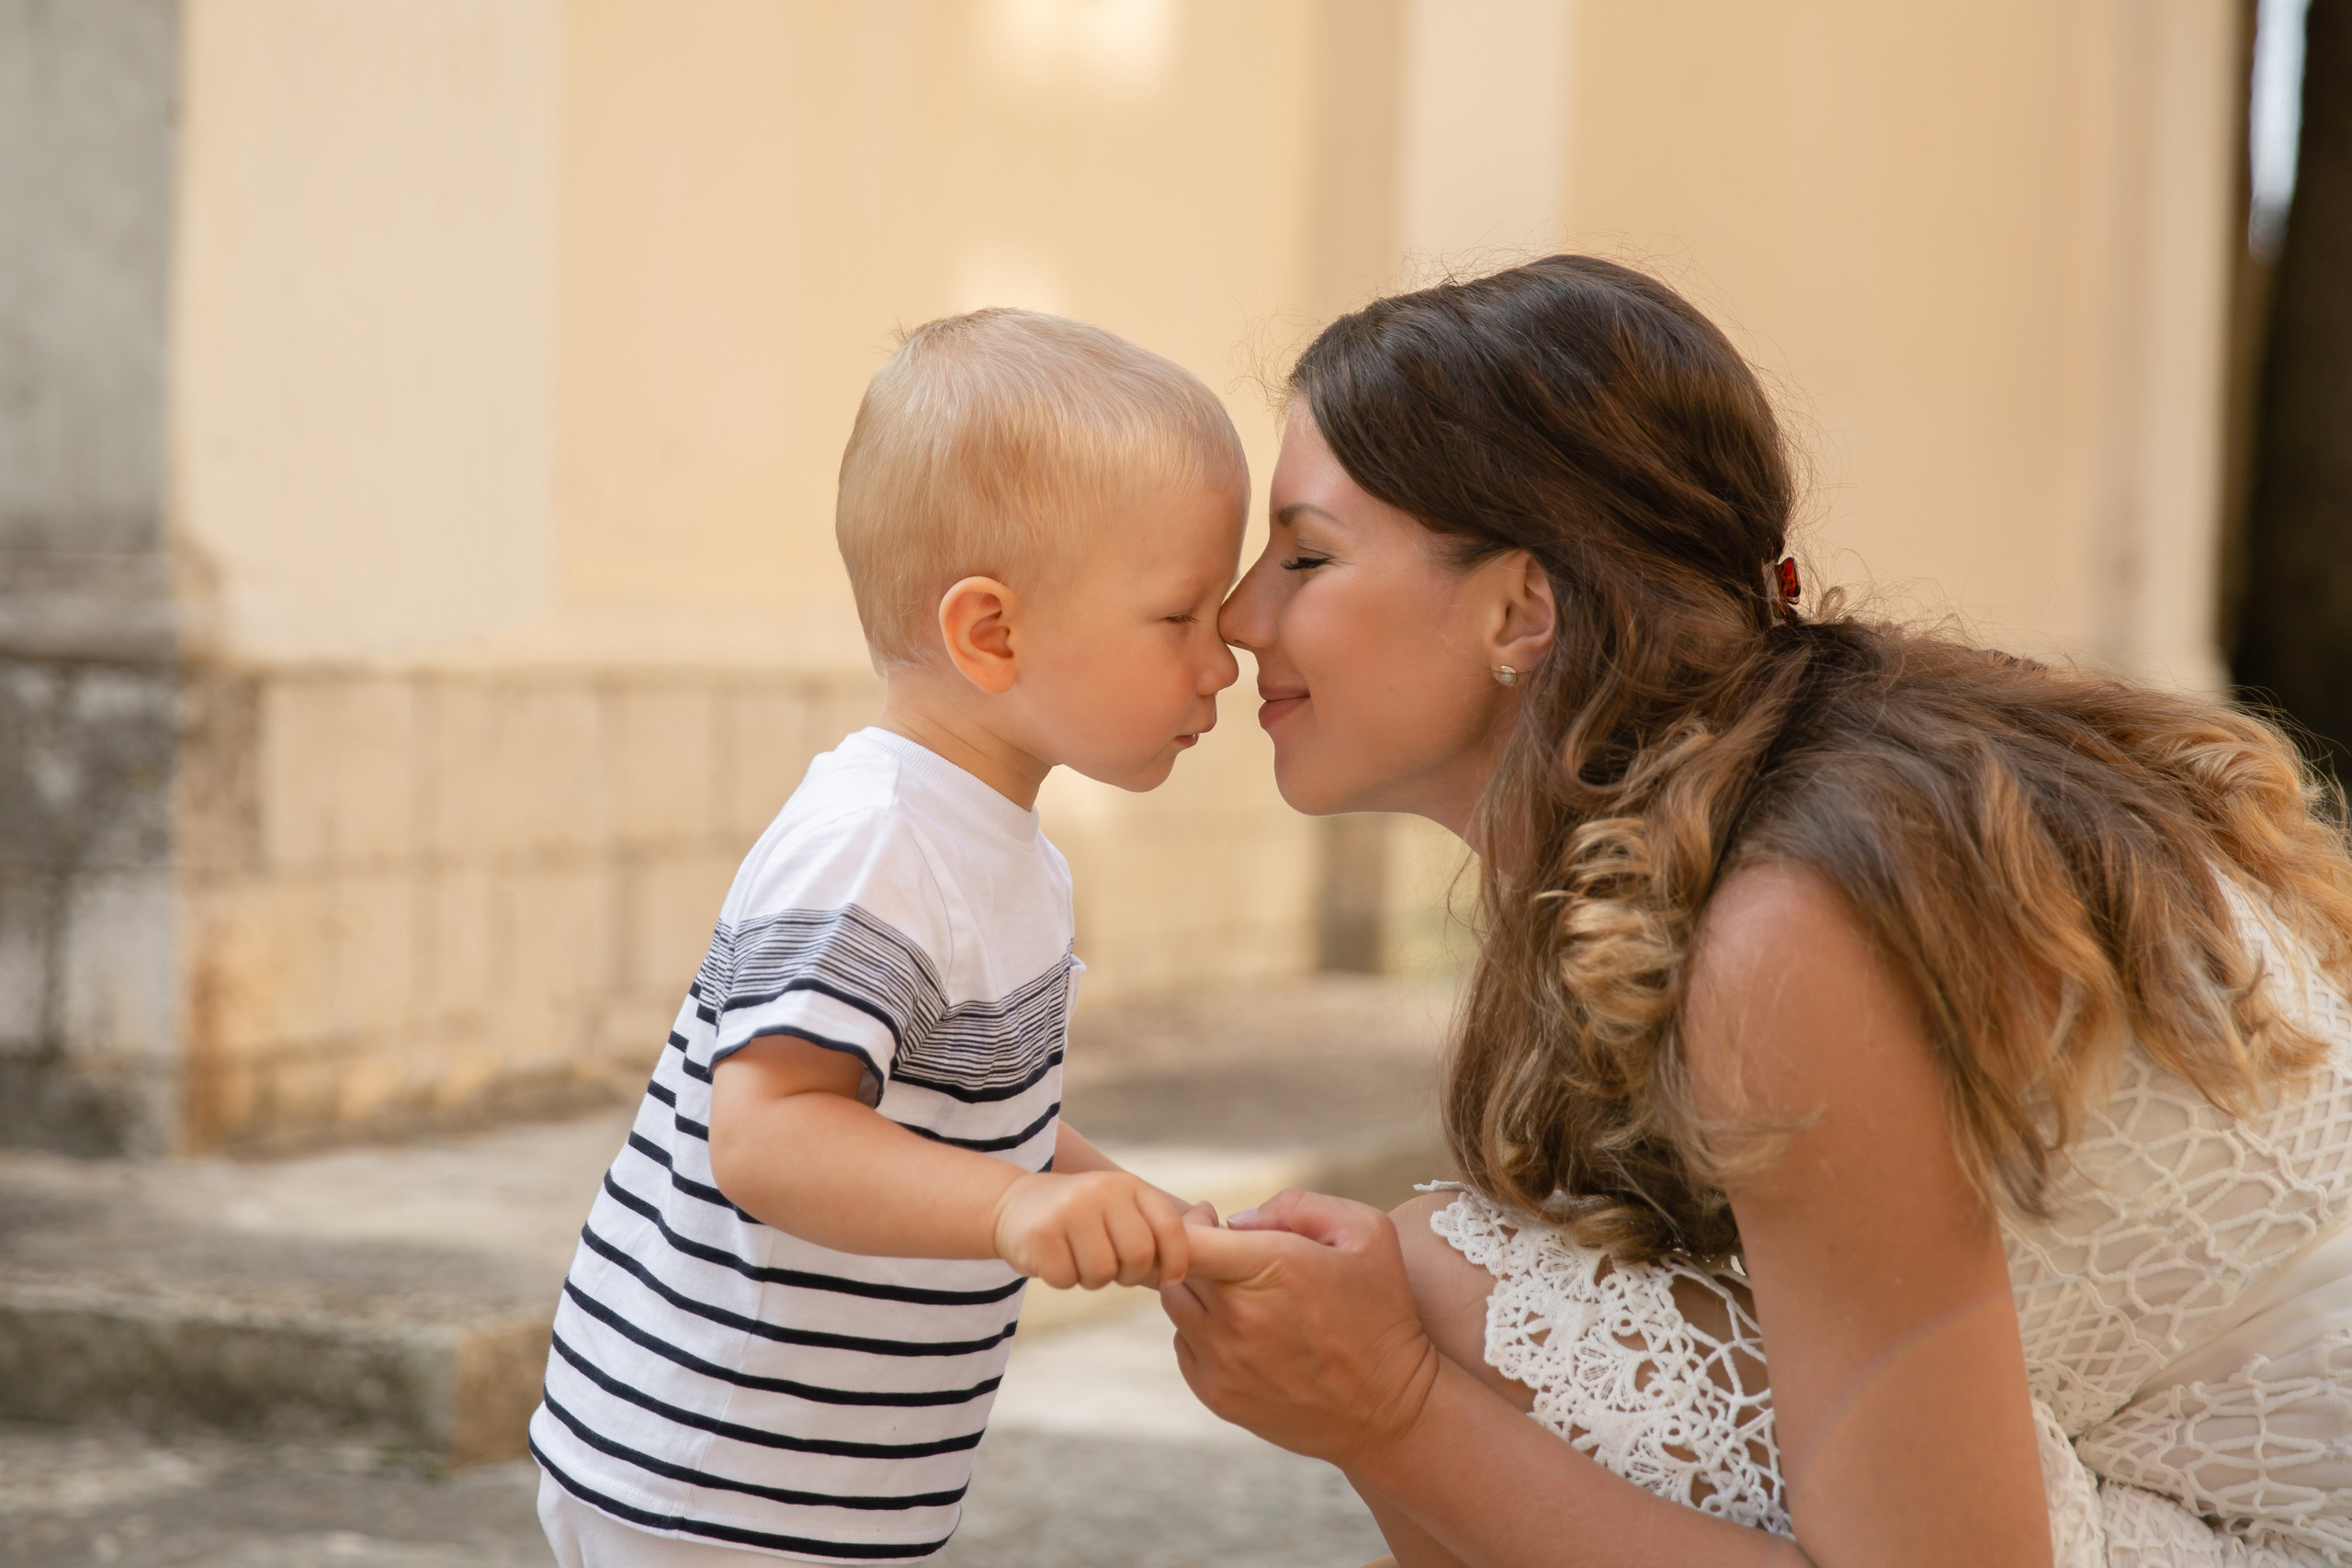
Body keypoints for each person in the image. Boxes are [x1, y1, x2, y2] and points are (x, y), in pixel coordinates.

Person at [1165, 255, 2352, 1567]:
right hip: (2152, 1485)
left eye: (1306, 556)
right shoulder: (1739, 826)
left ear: (1520, 608)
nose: (1236, 617)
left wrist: (1388, 1410)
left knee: (1444, 1303)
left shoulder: (1789, 923)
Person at [529, 308, 1245, 1564]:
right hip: (710, 1479)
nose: (1223, 663)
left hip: (825, 1486)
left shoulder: (1006, 850)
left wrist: (1112, 1197)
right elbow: (767, 1133)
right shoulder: (878, 844)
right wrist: (1014, 1213)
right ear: (993, 634)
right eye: (1180, 617)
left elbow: (965, 1106)